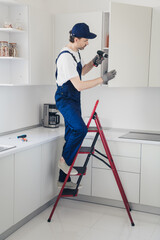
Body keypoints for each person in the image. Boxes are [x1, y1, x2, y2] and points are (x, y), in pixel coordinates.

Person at [55, 22, 116, 189]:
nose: (88, 43)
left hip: (73, 98)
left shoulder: (75, 53)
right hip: (65, 98)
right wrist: (102, 79)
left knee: (70, 136)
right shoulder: (66, 56)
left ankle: (63, 180)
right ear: (76, 39)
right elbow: (80, 85)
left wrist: (94, 62)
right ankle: (64, 163)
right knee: (80, 130)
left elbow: (79, 73)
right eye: (85, 40)